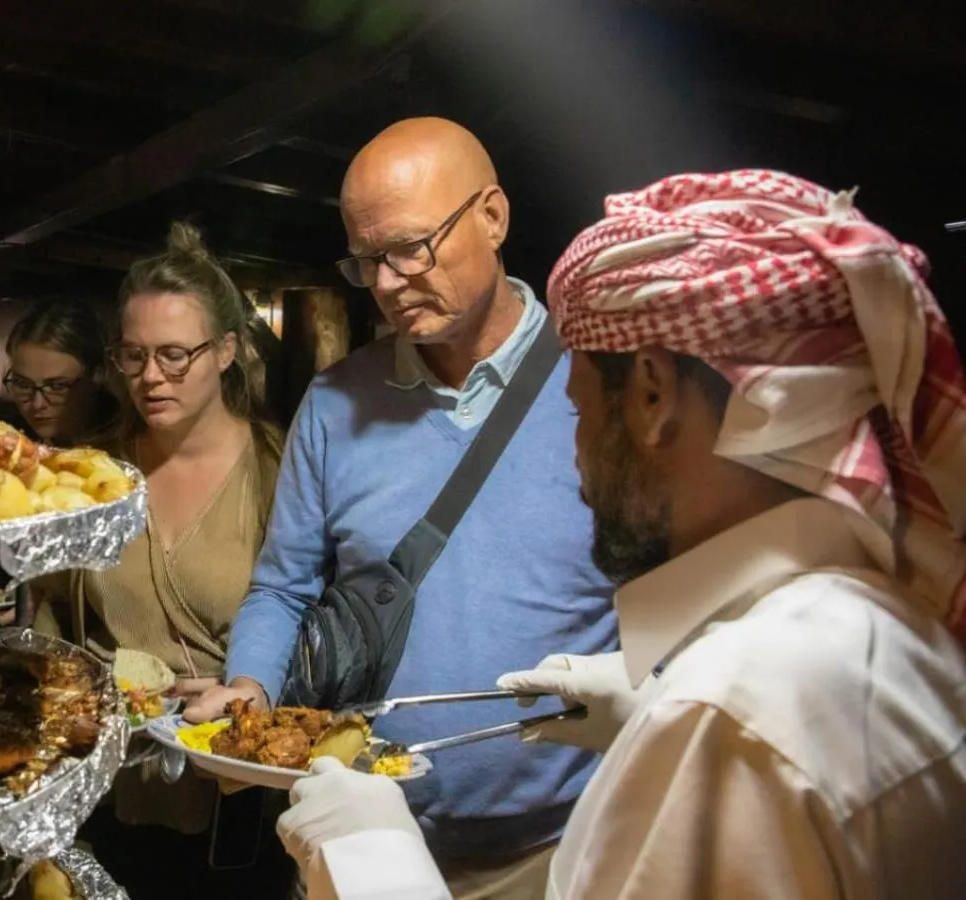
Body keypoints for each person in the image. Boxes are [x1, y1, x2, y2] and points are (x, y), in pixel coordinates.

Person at [278, 170, 966, 899]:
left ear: (650, 394)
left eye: (578, 414)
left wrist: (370, 862)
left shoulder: (726, 717)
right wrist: (646, 712)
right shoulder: (890, 626)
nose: (578, 466)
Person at [184, 117, 617, 897]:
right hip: (358, 837)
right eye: (366, 261)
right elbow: (283, 587)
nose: (385, 283)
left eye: (410, 249)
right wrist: (251, 686)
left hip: (563, 851)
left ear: (493, 216)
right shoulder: (334, 403)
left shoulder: (601, 386)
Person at [64, 222, 288, 896]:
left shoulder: (281, 470)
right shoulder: (91, 473)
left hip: (237, 803)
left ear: (226, 351)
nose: (149, 377)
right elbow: (48, 613)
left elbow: (307, 618)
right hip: (110, 797)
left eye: (173, 355)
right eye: (132, 356)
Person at [2, 299, 118, 446]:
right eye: (23, 384)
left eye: (57, 387)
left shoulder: (129, 450)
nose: (37, 405)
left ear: (96, 377)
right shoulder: (12, 441)